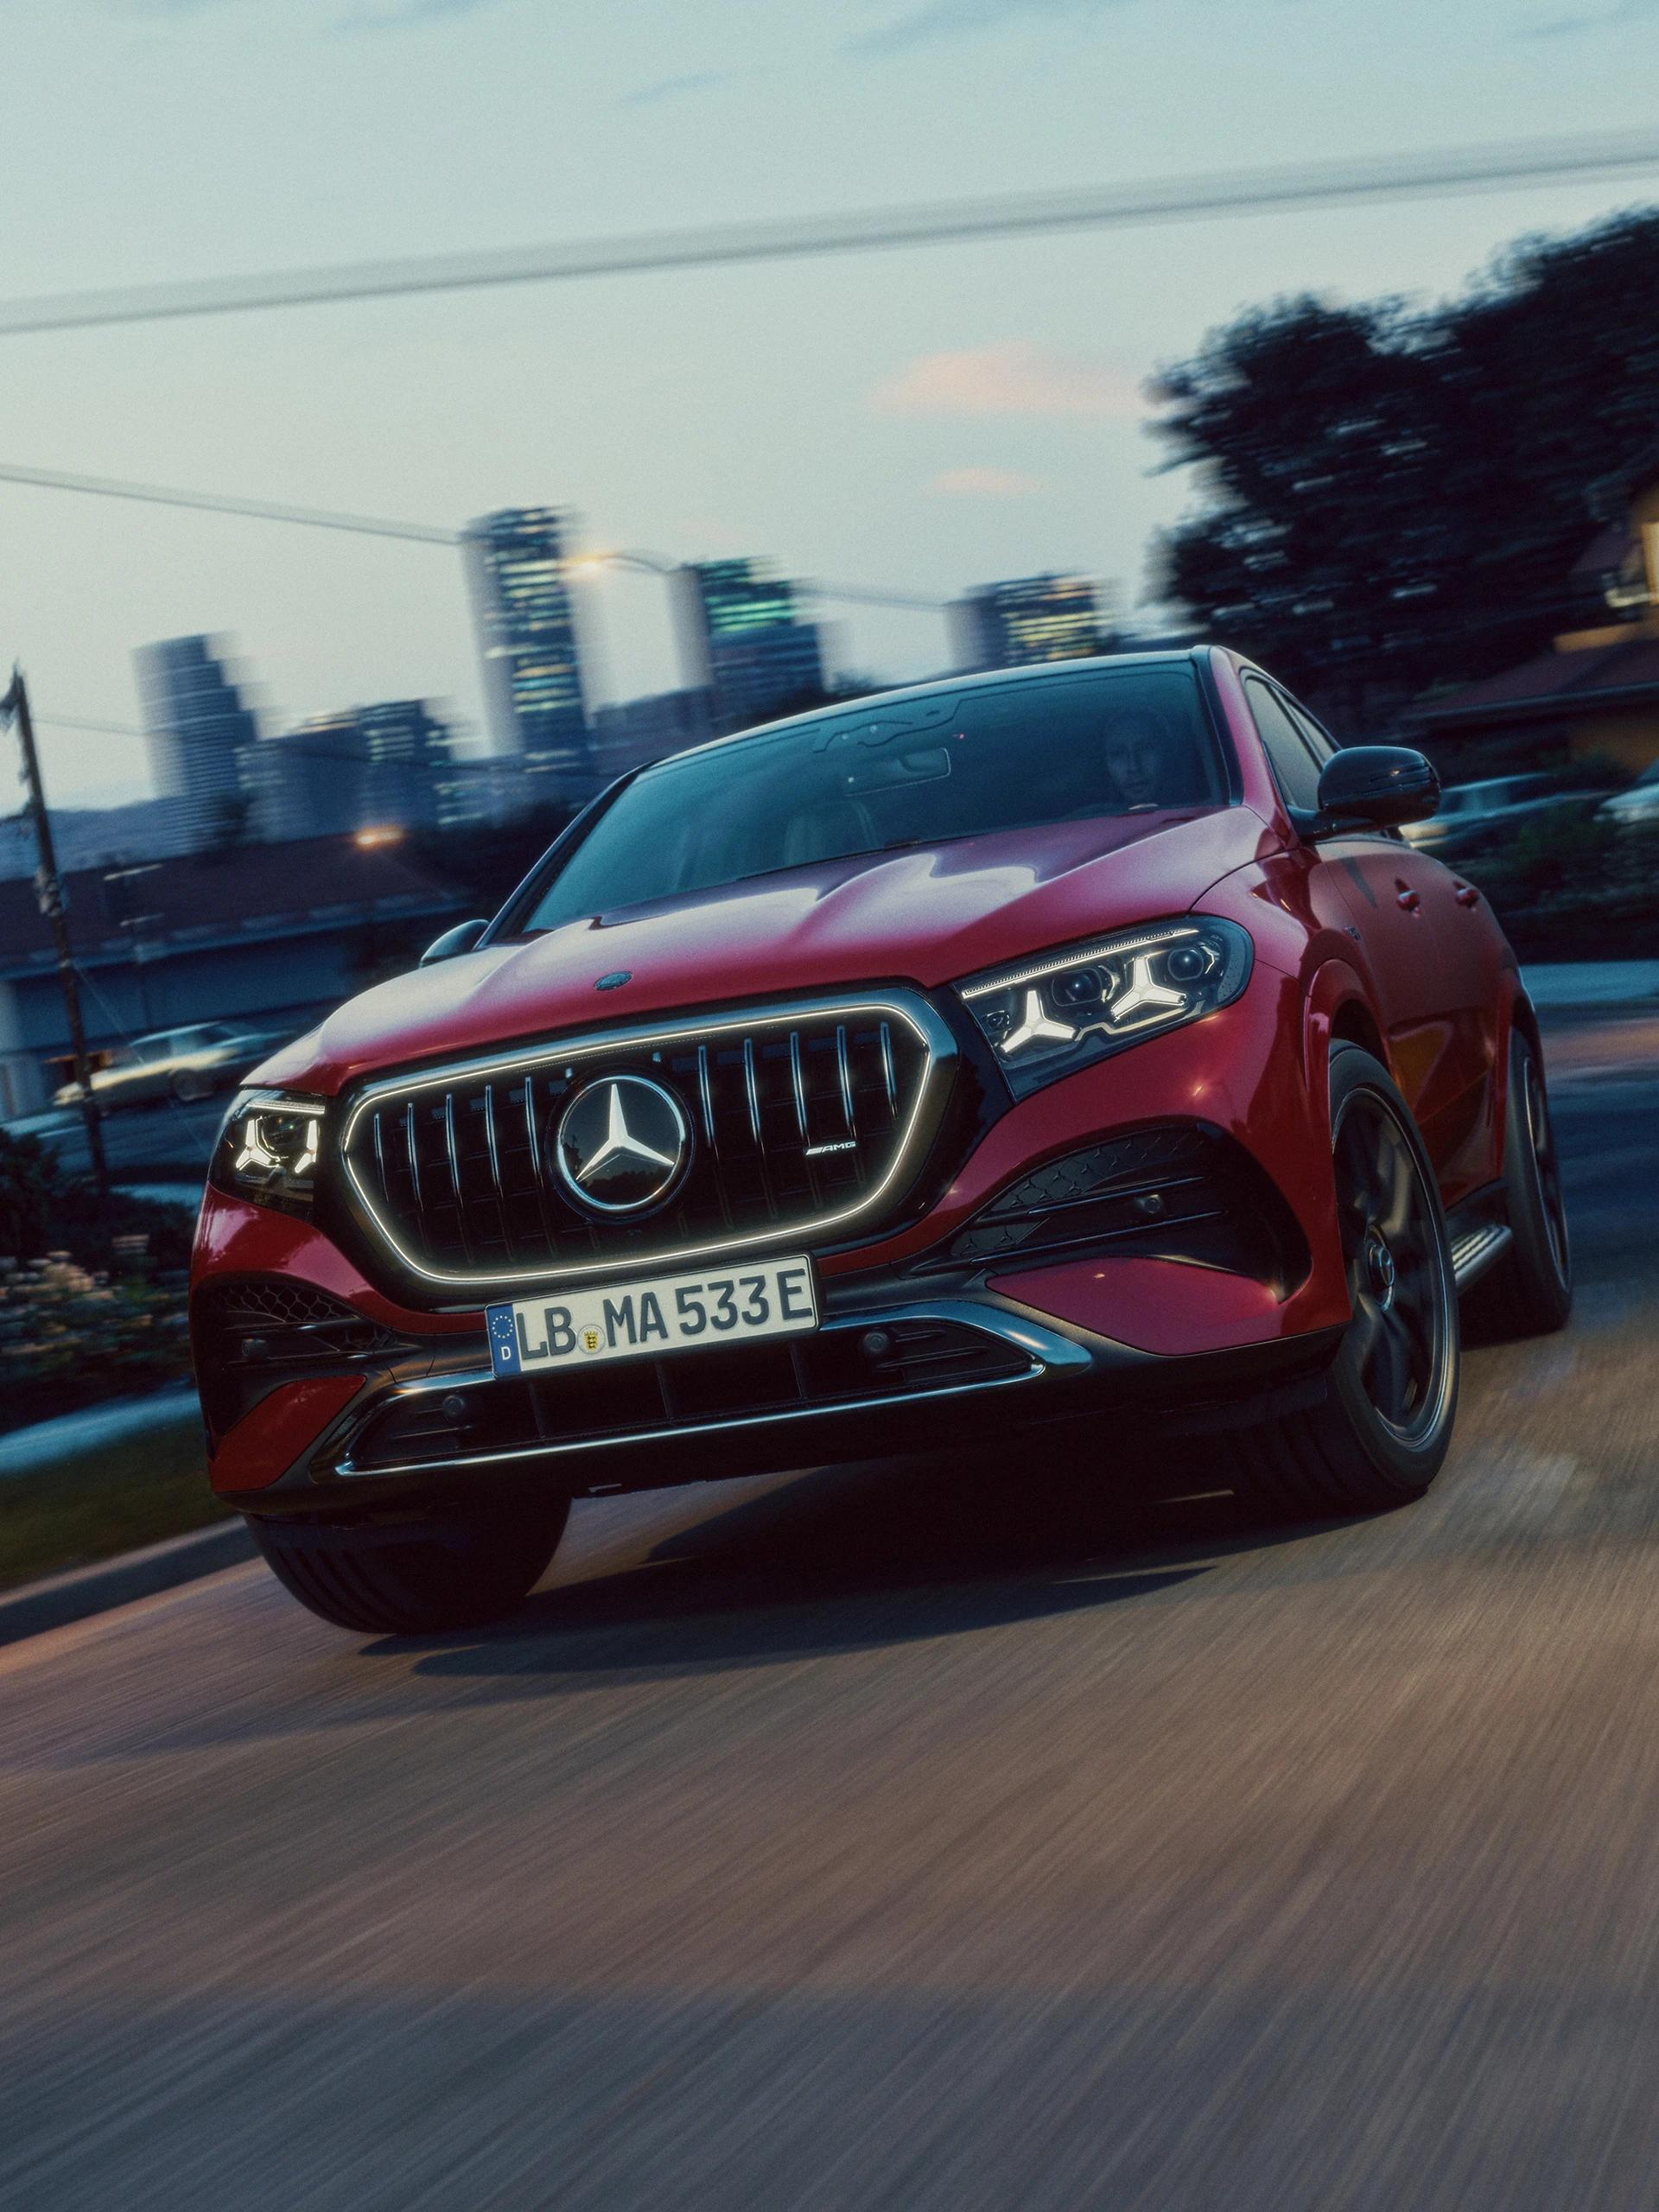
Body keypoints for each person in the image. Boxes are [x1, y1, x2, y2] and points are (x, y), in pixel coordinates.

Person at [1103, 708, 1177, 810]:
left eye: (1145, 749)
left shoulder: (1200, 816)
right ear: (1106, 763)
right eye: (1118, 754)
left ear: (1166, 753)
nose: (1133, 767)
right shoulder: (1088, 821)